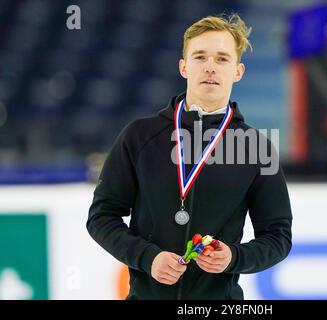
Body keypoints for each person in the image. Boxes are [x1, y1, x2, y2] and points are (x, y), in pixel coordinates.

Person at [87, 13, 292, 300]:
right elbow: (101, 216)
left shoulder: (256, 148)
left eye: (222, 59)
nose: (210, 67)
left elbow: (278, 237)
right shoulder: (140, 136)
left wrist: (234, 257)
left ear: (238, 71)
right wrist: (148, 257)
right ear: (184, 67)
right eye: (200, 57)